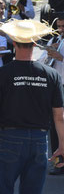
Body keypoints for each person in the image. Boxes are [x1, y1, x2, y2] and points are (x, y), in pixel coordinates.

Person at [0, 19, 64, 194]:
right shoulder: (51, 75)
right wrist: (63, 146)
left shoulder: (2, 74)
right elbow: (60, 116)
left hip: (10, 140)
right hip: (39, 141)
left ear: (13, 43)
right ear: (35, 43)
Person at [37, 17, 64, 175]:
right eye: (59, 26)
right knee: (55, 128)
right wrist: (48, 52)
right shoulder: (54, 40)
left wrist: (60, 57)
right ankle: (58, 163)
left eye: (63, 26)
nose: (61, 29)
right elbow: (41, 63)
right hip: (56, 87)